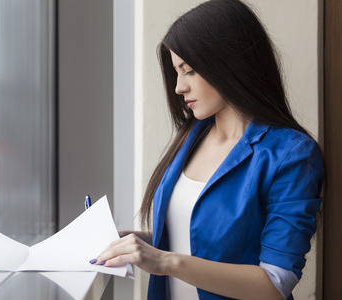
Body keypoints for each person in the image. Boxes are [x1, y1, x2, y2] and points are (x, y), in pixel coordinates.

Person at [90, 0, 324, 299]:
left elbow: (275, 283)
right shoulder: (192, 137)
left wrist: (163, 260)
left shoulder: (292, 155)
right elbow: (197, 241)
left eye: (189, 71)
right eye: (176, 72)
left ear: (229, 63)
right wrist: (138, 244)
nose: (178, 87)